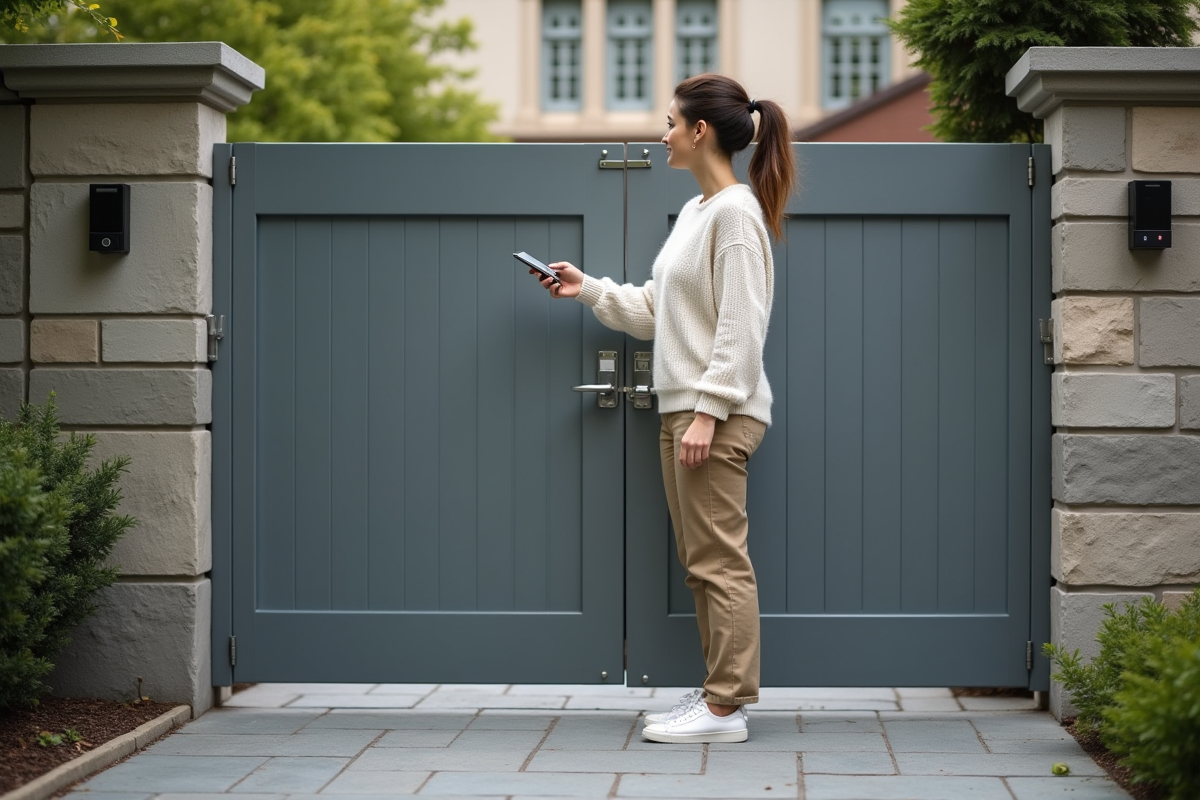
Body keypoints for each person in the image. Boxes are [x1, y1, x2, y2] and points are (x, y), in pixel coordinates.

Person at [532, 73, 795, 744]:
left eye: (671, 122)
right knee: (700, 560)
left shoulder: (735, 213)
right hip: (684, 411)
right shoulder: (702, 214)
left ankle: (725, 709)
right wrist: (586, 288)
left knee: (718, 561)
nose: (663, 133)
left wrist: (708, 411)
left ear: (700, 132)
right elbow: (657, 310)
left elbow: (742, 326)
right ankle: (717, 695)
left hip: (716, 415)